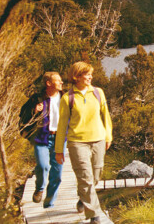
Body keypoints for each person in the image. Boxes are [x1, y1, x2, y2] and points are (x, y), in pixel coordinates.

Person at [54, 62, 112, 224]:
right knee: (85, 178)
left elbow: (105, 116)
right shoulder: (68, 98)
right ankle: (94, 216)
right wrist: (59, 150)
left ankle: (83, 198)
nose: (90, 77)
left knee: (96, 174)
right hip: (77, 143)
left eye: (90, 74)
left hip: (98, 139)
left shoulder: (98, 93)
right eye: (87, 74)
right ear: (77, 77)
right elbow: (62, 125)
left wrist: (108, 136)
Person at [18, 72, 65, 208]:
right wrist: (34, 110)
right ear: (48, 83)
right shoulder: (37, 99)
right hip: (41, 137)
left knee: (57, 172)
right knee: (43, 166)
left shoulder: (65, 97)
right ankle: (39, 188)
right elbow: (23, 114)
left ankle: (50, 201)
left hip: (59, 138)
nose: (61, 83)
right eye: (58, 81)